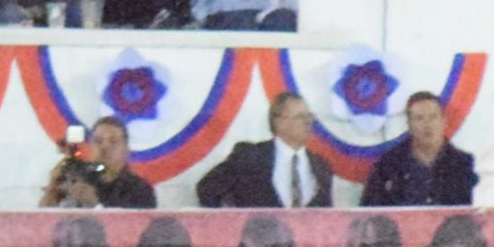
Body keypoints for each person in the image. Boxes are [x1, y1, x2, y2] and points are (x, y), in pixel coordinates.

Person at [197, 92, 334, 210]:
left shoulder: (321, 165)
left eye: (310, 116)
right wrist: (227, 229)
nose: (308, 122)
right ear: (280, 122)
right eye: (300, 117)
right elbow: (206, 189)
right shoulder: (249, 156)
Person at [360, 92, 477, 208]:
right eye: (419, 118)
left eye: (433, 117)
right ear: (409, 124)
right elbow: (369, 214)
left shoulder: (463, 165)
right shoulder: (388, 165)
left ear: (444, 121)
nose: (428, 125)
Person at [39, 116, 157, 210]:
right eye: (98, 141)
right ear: (91, 147)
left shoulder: (140, 189)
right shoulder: (78, 175)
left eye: (113, 141)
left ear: (126, 149)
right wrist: (52, 189)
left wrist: (95, 205)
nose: (105, 147)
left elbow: (133, 230)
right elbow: (42, 224)